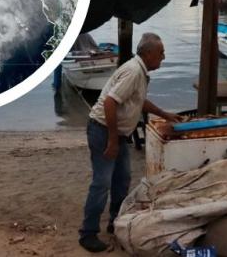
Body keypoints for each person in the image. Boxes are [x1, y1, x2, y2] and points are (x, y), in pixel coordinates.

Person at [78, 32, 182, 253]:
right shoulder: (134, 71)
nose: (163, 56)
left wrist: (163, 113)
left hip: (118, 133)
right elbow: (109, 103)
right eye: (161, 53)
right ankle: (87, 234)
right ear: (148, 53)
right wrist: (113, 141)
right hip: (103, 130)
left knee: (122, 178)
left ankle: (115, 222)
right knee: (102, 182)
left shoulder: (140, 71)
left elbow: (138, 100)